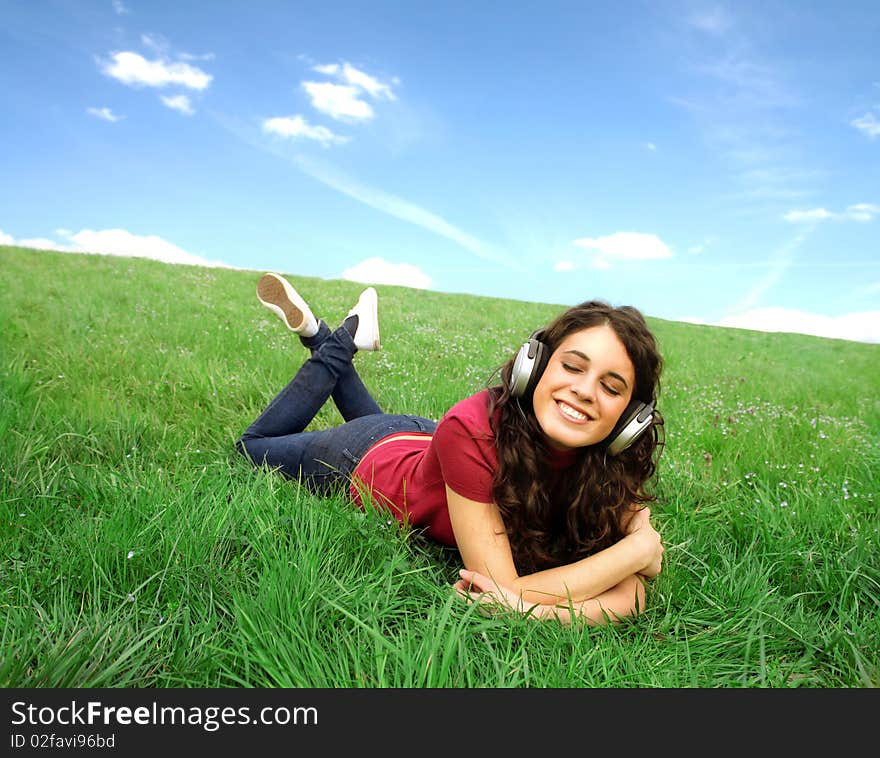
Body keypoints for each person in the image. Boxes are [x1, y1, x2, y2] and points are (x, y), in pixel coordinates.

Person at [236, 272, 665, 625]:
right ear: (533, 368)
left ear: (631, 418)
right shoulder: (473, 429)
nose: (585, 391)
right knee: (250, 448)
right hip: (366, 459)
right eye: (572, 366)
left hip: (429, 443)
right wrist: (634, 552)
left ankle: (323, 334)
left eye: (612, 388)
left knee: (402, 435)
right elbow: (500, 587)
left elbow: (631, 593)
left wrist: (536, 611)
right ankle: (336, 340)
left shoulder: (608, 464)